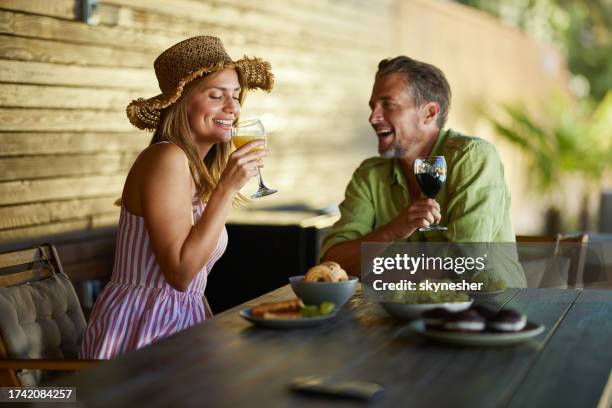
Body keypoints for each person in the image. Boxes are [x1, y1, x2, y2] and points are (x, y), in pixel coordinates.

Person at [80, 36, 274, 359]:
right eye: (216, 95)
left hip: (179, 329)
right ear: (181, 102)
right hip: (139, 334)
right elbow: (181, 274)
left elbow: (192, 289)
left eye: (236, 96)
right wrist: (227, 189)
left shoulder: (195, 171)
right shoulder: (166, 158)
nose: (233, 108)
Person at [321, 56, 526, 287]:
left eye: (388, 105)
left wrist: (376, 267)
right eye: (373, 106)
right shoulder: (369, 175)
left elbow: (463, 266)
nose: (373, 117)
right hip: (399, 314)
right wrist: (394, 230)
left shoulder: (472, 157)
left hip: (492, 313)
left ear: (429, 113)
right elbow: (333, 265)